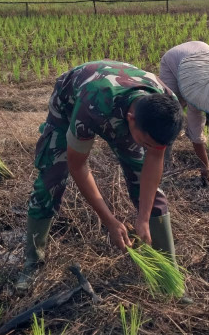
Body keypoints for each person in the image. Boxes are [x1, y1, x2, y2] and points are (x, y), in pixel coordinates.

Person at [17, 60, 184, 292]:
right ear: (131, 119)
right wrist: (109, 221)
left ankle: (168, 273)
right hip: (73, 98)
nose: (149, 148)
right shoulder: (92, 107)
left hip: (124, 105)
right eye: (146, 142)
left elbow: (155, 157)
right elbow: (78, 166)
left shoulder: (167, 109)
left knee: (147, 187)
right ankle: (32, 262)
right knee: (51, 178)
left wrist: (143, 218)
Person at [159, 41, 209, 182]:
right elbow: (196, 136)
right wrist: (205, 165)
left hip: (197, 53)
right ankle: (165, 161)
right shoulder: (195, 95)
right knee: (171, 112)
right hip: (173, 60)